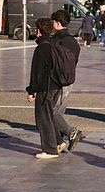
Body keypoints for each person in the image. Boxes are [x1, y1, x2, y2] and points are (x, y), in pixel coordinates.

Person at [26, 18, 61, 160]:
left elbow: (37, 73)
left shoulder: (41, 48)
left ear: (38, 31)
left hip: (45, 88)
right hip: (56, 86)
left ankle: (50, 150)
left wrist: (31, 91)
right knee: (49, 116)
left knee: (43, 119)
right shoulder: (53, 45)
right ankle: (57, 143)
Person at [50, 10, 84, 153]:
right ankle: (59, 141)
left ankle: (71, 132)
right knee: (59, 111)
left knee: (51, 112)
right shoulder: (73, 41)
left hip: (57, 80)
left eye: (53, 22)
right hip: (70, 78)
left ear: (57, 23)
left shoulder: (56, 41)